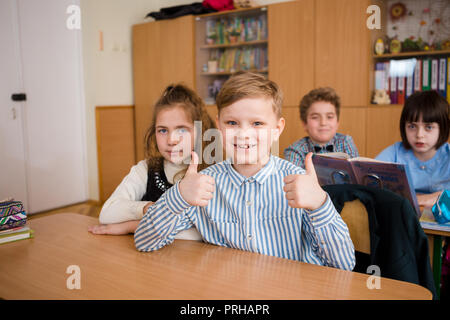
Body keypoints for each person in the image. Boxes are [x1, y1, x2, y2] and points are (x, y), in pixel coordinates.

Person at [134, 71, 355, 271]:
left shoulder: (299, 183)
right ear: (219, 126)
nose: (244, 134)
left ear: (277, 129)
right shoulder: (202, 185)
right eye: (232, 123)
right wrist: (179, 196)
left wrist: (319, 205)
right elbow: (144, 241)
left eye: (257, 123)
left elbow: (344, 264)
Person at [88, 84, 216, 238]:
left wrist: (132, 226)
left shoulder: (212, 173)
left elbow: (201, 235)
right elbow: (107, 214)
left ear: (200, 130)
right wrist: (148, 209)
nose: (171, 140)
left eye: (182, 129)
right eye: (162, 130)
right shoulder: (145, 169)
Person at [376, 90, 449, 208]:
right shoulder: (394, 153)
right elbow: (370, 181)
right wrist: (428, 198)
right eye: (412, 126)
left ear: (443, 128)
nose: (419, 134)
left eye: (428, 127)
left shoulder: (448, 155)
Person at [284, 87, 359, 168]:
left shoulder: (346, 142)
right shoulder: (295, 150)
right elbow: (294, 178)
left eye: (329, 117)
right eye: (315, 117)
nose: (323, 123)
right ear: (305, 124)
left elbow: (357, 173)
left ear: (337, 122)